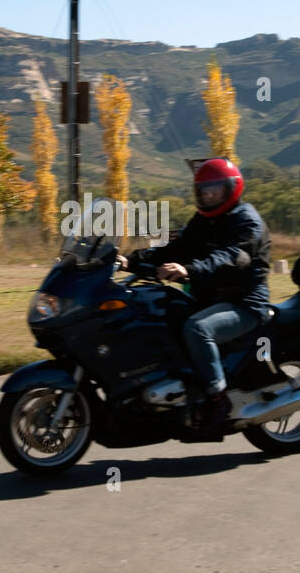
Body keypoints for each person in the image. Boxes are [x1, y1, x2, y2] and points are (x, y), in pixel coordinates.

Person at [116, 158, 271, 430]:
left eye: (215, 189)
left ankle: (217, 398)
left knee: (197, 329)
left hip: (244, 303)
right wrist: (132, 260)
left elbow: (231, 257)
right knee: (158, 312)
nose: (209, 195)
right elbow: (176, 249)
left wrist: (189, 270)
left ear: (231, 189)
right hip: (210, 298)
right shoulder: (204, 220)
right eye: (203, 190)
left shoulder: (247, 221)